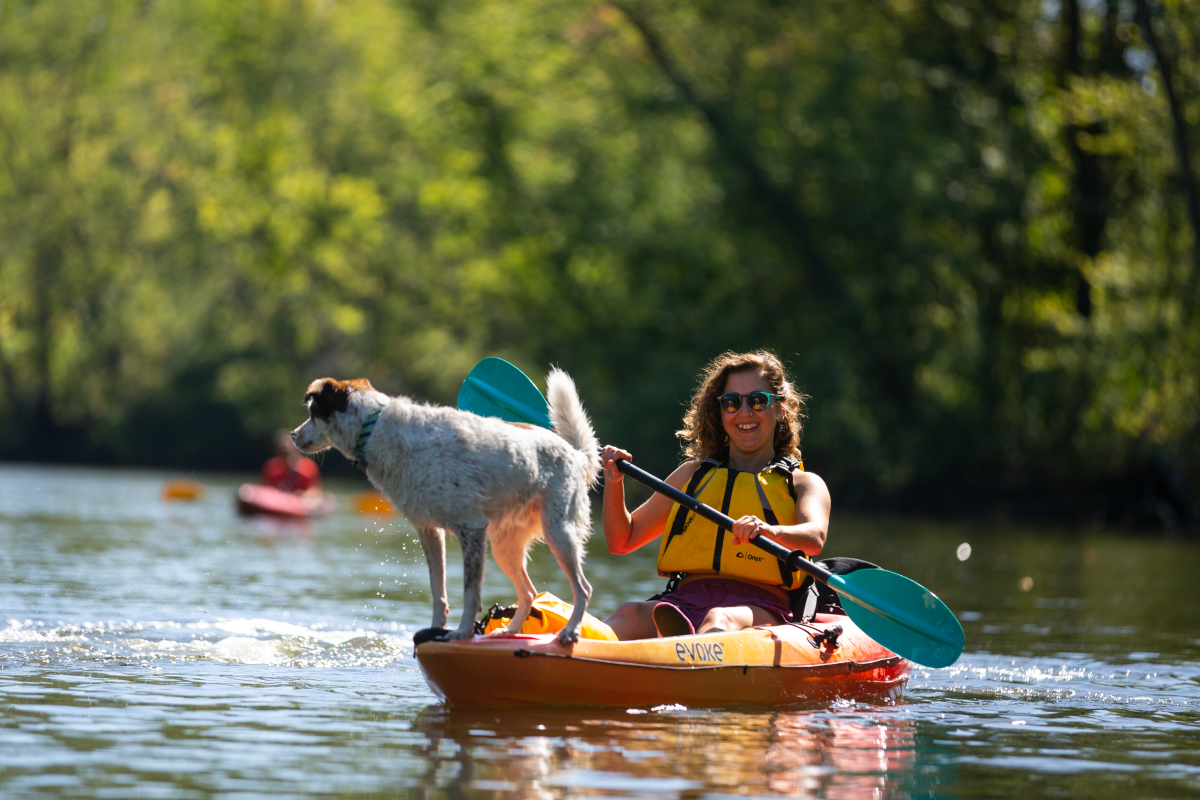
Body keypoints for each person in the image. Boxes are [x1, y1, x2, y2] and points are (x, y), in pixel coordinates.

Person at [600, 351, 831, 640]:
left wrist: (770, 531)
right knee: (630, 612)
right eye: (731, 402)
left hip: (760, 607)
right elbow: (622, 540)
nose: (744, 412)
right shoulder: (692, 475)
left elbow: (815, 538)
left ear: (780, 407)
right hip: (683, 602)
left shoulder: (803, 483)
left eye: (758, 400)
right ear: (719, 411)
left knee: (720, 617)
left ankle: (686, 654)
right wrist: (614, 481)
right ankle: (565, 650)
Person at [261, 429, 323, 498]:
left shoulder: (308, 466)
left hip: (301, 503)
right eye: (282, 453)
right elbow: (264, 490)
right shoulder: (271, 467)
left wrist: (302, 495)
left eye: (288, 452)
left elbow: (316, 491)